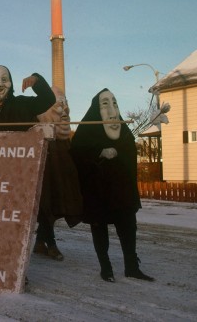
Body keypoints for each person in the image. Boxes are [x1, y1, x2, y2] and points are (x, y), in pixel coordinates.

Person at [71, 88, 154, 283]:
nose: (112, 110)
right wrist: (98, 152)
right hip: (97, 191)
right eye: (105, 104)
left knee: (128, 227)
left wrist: (119, 153)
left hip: (121, 190)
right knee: (99, 228)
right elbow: (76, 154)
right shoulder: (86, 129)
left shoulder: (124, 130)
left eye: (114, 104)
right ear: (96, 110)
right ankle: (105, 268)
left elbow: (129, 152)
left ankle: (132, 267)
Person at [33, 86, 83, 261]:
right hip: (45, 180)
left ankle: (40, 242)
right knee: (47, 206)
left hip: (59, 180)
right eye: (58, 105)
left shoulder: (64, 142)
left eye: (65, 105)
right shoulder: (39, 139)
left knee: (53, 206)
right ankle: (51, 244)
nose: (64, 111)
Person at [0, 65, 55, 131]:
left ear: (10, 83)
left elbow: (48, 100)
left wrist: (37, 80)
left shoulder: (23, 105)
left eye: (4, 79)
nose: (0, 84)